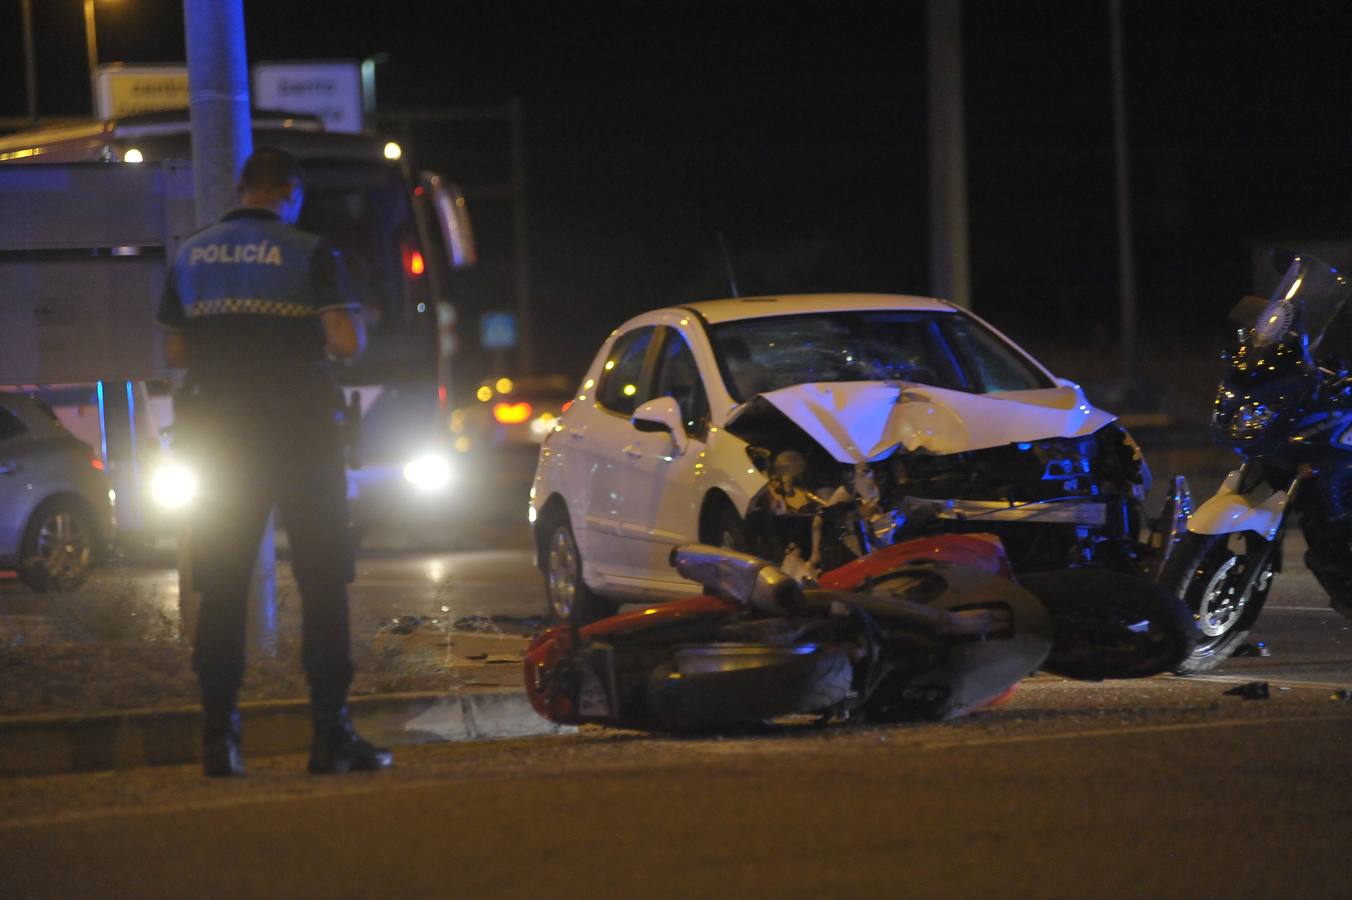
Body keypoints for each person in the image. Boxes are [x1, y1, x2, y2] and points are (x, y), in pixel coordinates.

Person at [157, 147, 391, 776]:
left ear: (240, 188)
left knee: (223, 583)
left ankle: (218, 738)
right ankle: (329, 736)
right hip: (300, 434)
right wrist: (353, 323)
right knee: (321, 581)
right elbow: (343, 342)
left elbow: (177, 349)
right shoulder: (309, 251)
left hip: (222, 437)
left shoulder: (193, 253)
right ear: (289, 192)